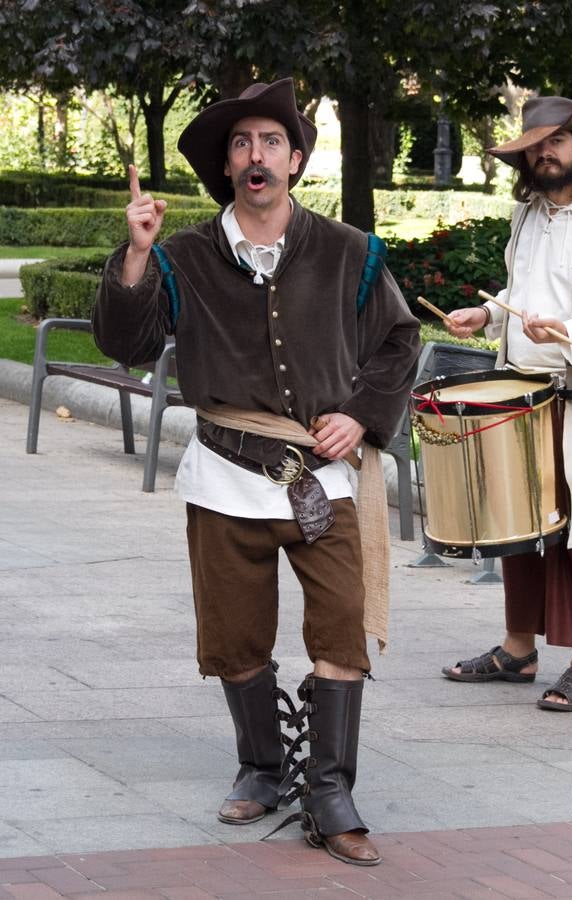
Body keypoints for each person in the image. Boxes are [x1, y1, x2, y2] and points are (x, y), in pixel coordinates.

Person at [92, 79, 420, 865]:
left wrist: (364, 414)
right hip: (223, 475)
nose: (256, 154)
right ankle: (262, 767)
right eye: (241, 144)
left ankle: (331, 788)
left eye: (271, 141)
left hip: (324, 479)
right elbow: (126, 345)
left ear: (296, 160)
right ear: (227, 168)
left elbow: (398, 342)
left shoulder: (350, 251)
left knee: (343, 630)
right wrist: (135, 253)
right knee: (236, 639)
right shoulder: (181, 257)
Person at [440, 96, 572, 711]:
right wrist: (488, 314)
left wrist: (568, 331)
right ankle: (518, 649)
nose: (543, 155)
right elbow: (525, 291)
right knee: (522, 523)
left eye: (555, 143)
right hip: (525, 393)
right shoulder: (529, 215)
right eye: (535, 146)